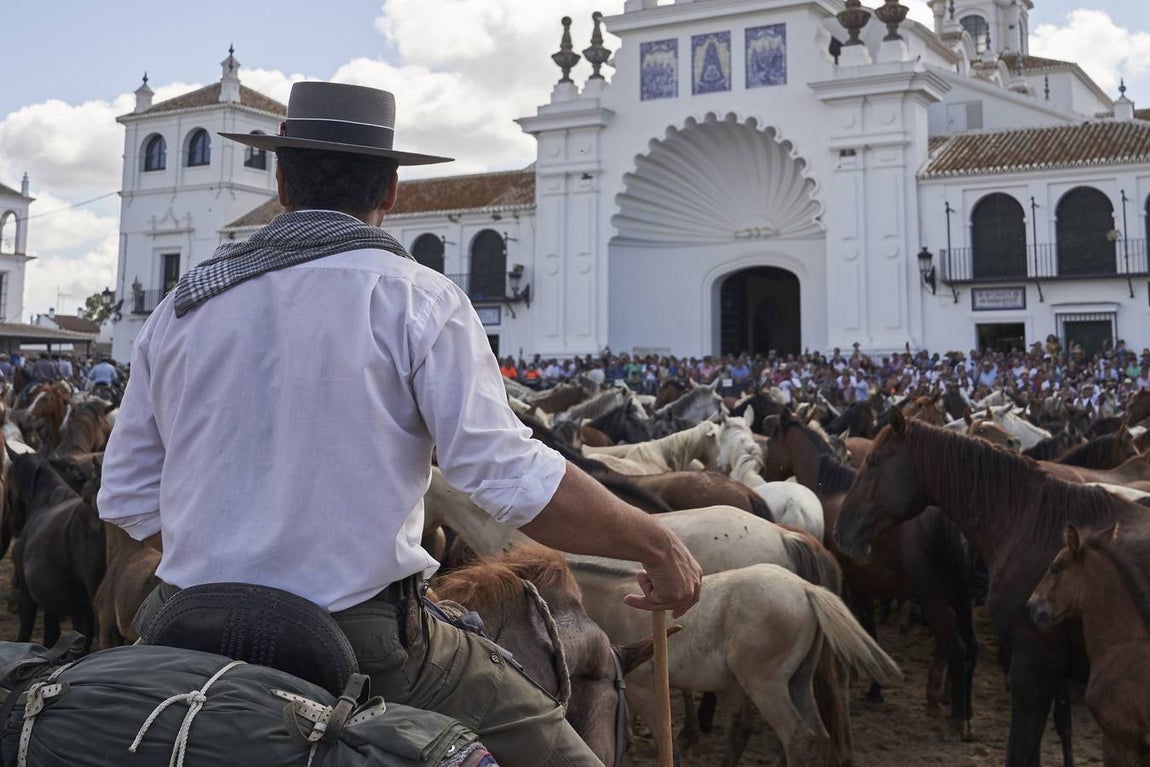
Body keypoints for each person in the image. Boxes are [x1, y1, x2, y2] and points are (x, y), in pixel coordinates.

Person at [97, 81, 701, 767]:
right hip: (362, 640)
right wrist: (652, 540)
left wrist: (231, 556)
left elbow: (123, 499)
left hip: (187, 625)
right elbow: (504, 476)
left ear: (281, 179)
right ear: (389, 192)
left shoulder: (180, 307)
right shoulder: (416, 297)